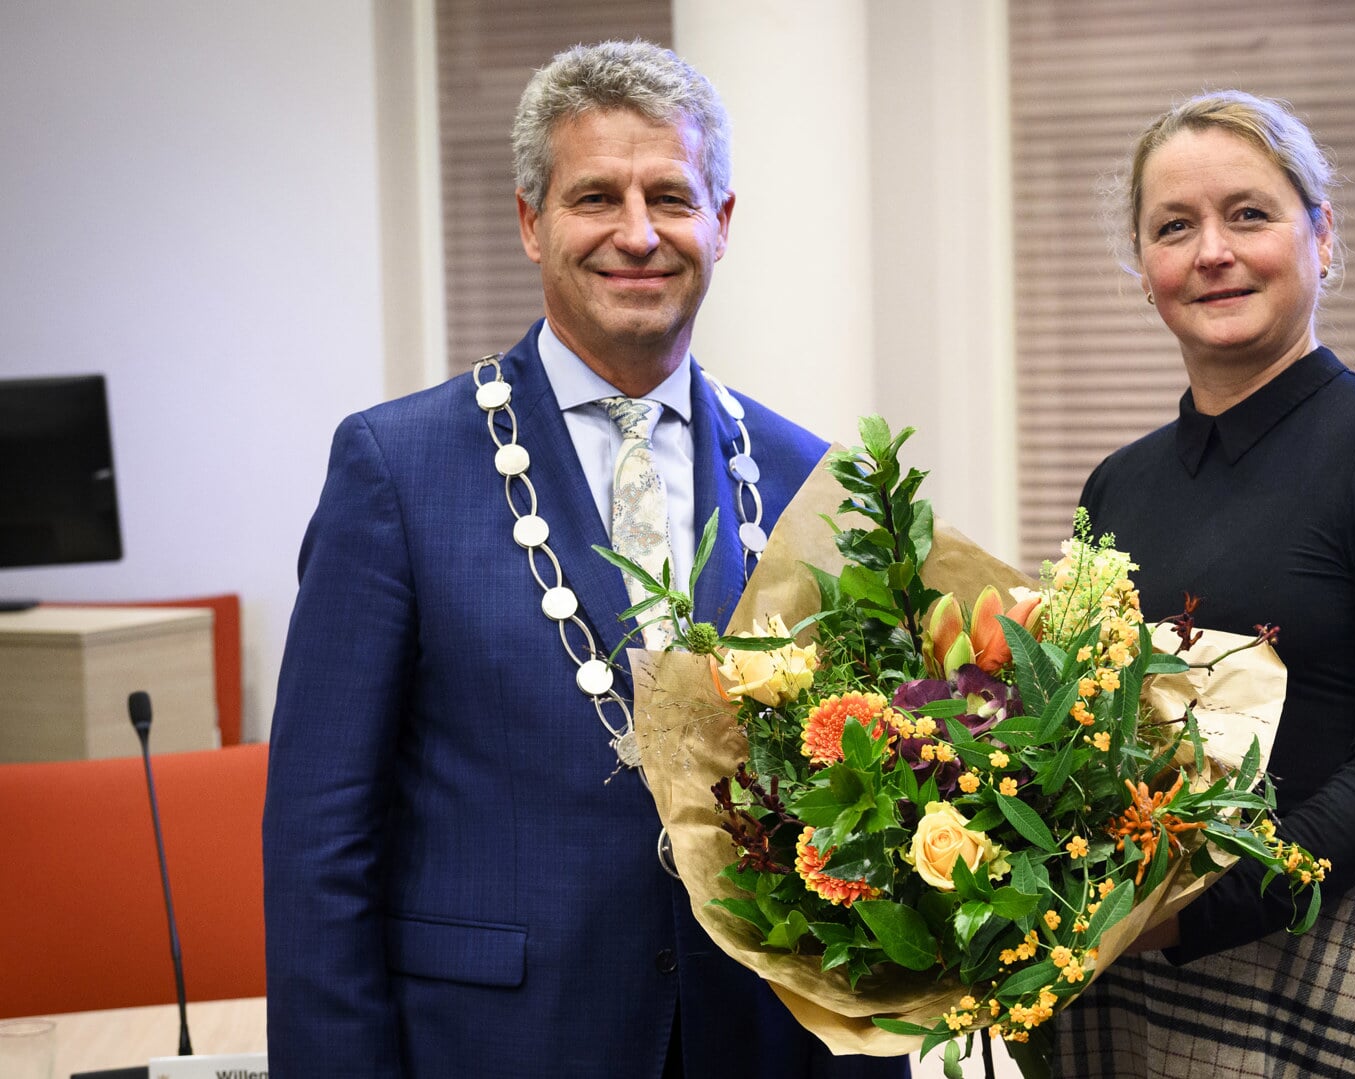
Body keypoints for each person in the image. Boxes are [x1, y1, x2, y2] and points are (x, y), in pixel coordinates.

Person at [263, 39, 906, 1079]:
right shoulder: (397, 467)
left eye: (671, 196)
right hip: (500, 1043)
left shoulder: (803, 477)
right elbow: (319, 842)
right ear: (531, 222)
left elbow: (863, 815)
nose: (638, 234)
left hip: (757, 1043)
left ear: (723, 223)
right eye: (595, 197)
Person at [1054, 91, 1355, 1078]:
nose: (1211, 250)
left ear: (1321, 236)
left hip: (1328, 947)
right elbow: (1081, 737)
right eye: (1174, 227)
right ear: (1143, 271)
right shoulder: (1117, 483)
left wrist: (1193, 913)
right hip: (1134, 967)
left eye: (1248, 214)